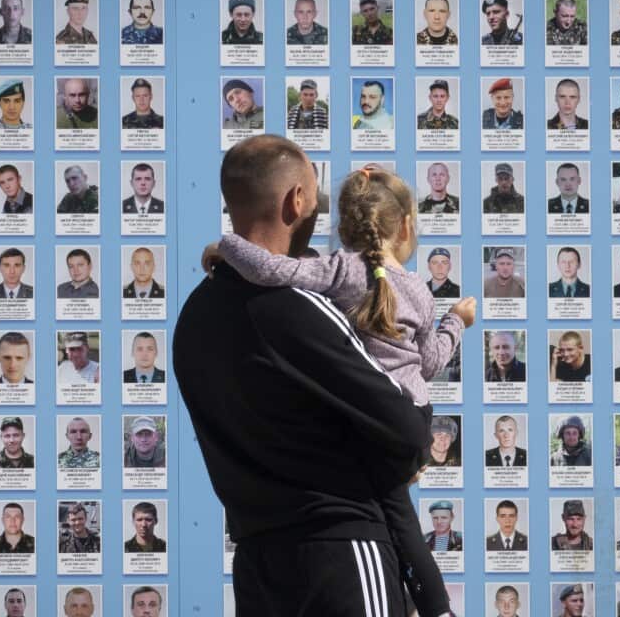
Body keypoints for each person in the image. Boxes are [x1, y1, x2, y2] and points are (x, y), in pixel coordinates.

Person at [180, 140, 463, 616]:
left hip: (259, 566)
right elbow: (407, 430)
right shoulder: (297, 309)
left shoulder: (194, 316)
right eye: (317, 197)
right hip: (344, 555)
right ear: (296, 200)